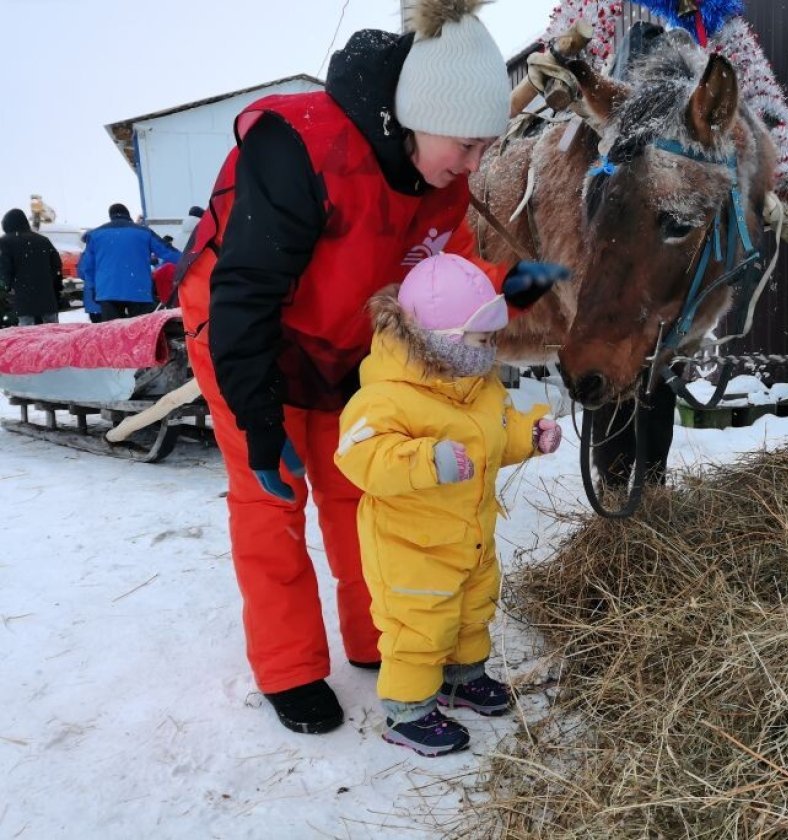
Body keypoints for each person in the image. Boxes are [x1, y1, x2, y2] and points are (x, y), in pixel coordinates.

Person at [175, 0, 568, 735]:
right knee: (274, 498)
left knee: (362, 487)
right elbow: (243, 292)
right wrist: (260, 422)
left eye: (490, 147)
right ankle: (289, 666)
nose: (476, 165)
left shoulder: (440, 174)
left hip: (345, 343)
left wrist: (509, 287)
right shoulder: (297, 149)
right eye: (469, 143)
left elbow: (439, 278)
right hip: (243, 335)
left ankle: (380, 638)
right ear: (421, 111)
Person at [335, 253, 562, 757]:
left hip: (470, 536)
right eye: (480, 341)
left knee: (471, 609)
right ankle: (407, 711)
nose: (490, 351)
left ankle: (463, 678)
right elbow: (358, 455)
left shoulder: (478, 389)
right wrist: (424, 460)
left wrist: (530, 434)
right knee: (420, 624)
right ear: (442, 341)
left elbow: (495, 437)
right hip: (411, 547)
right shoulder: (387, 397)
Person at [78, 203, 180, 320]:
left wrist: (94, 289)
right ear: (128, 215)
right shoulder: (144, 232)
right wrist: (189, 261)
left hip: (108, 293)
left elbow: (86, 268)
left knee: (114, 333)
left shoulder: (95, 235)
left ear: (111, 216)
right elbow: (167, 252)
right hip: (139, 290)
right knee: (140, 332)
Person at [0, 208, 63, 326]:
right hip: (47, 297)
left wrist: (8, 287)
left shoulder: (5, 242)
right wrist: (50, 282)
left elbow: (5, 269)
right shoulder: (43, 240)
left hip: (23, 298)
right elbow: (57, 265)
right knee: (53, 333)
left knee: (28, 334)